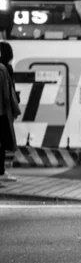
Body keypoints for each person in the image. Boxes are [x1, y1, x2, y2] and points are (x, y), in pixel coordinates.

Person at [0, 42, 21, 183]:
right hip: (1, 113)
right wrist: (14, 110)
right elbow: (8, 95)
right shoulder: (3, 70)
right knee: (2, 144)